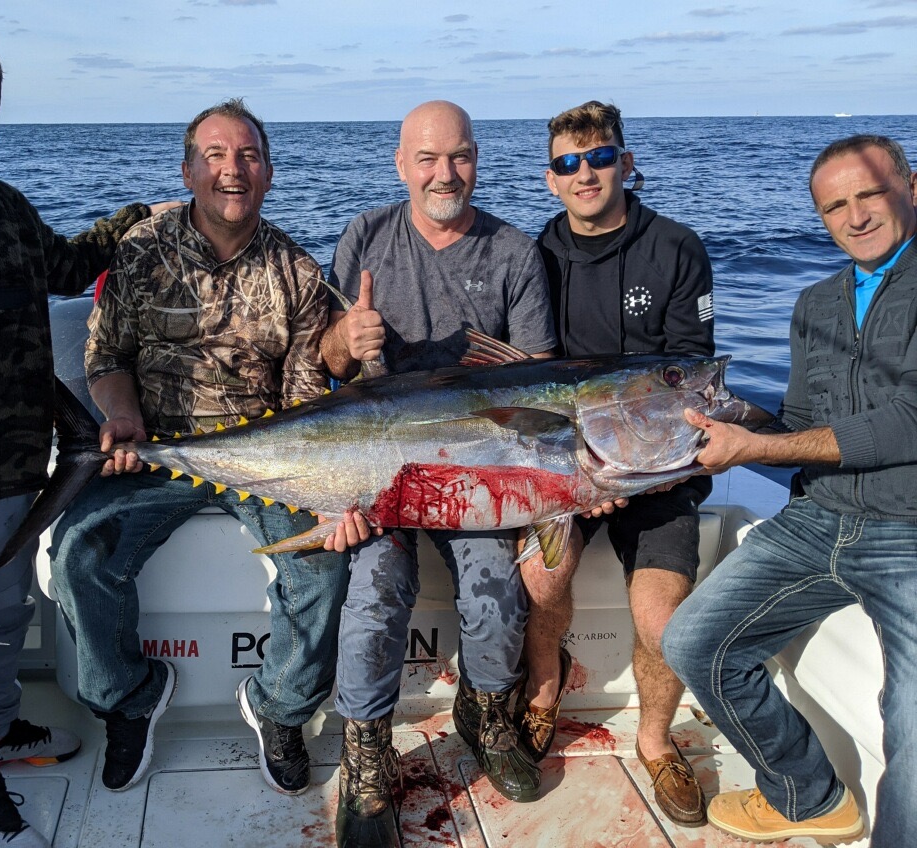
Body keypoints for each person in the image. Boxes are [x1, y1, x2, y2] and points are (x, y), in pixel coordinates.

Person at [0, 15, 173, 848]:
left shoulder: (6, 205)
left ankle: (1, 732)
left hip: (16, 465)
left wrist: (138, 218)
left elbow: (61, 266)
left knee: (5, 621)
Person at [49, 99, 351, 800]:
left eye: (246, 155)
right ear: (187, 170)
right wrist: (122, 416)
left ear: (270, 173)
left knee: (325, 564)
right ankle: (129, 696)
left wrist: (325, 492)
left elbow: (306, 399)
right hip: (158, 450)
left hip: (267, 455)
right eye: (214, 156)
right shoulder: (142, 252)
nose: (231, 169)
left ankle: (278, 707)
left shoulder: (296, 271)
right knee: (76, 554)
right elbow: (106, 353)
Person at [662, 134, 917, 846]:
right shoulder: (815, 302)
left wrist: (758, 446)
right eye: (836, 206)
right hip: (817, 517)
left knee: (913, 727)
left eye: (870, 194)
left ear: (913, 188)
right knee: (694, 642)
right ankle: (808, 796)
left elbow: (908, 422)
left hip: (909, 532)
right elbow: (801, 425)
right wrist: (713, 426)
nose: (856, 217)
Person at [320, 100, 557, 847]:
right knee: (374, 589)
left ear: (477, 160)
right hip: (380, 470)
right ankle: (366, 753)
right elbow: (328, 376)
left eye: (457, 157)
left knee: (495, 586)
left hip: (478, 476)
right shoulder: (365, 236)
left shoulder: (515, 253)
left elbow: (539, 394)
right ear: (401, 164)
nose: (443, 173)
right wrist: (342, 337)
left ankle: (486, 711)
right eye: (426, 158)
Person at [515, 100, 715, 827]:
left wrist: (630, 467)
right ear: (551, 179)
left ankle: (657, 740)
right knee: (541, 575)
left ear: (626, 163)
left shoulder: (675, 248)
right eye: (569, 163)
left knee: (662, 619)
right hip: (572, 471)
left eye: (601, 157)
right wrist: (584, 478)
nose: (586, 173)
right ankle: (542, 691)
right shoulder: (536, 254)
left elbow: (691, 378)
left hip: (659, 470)